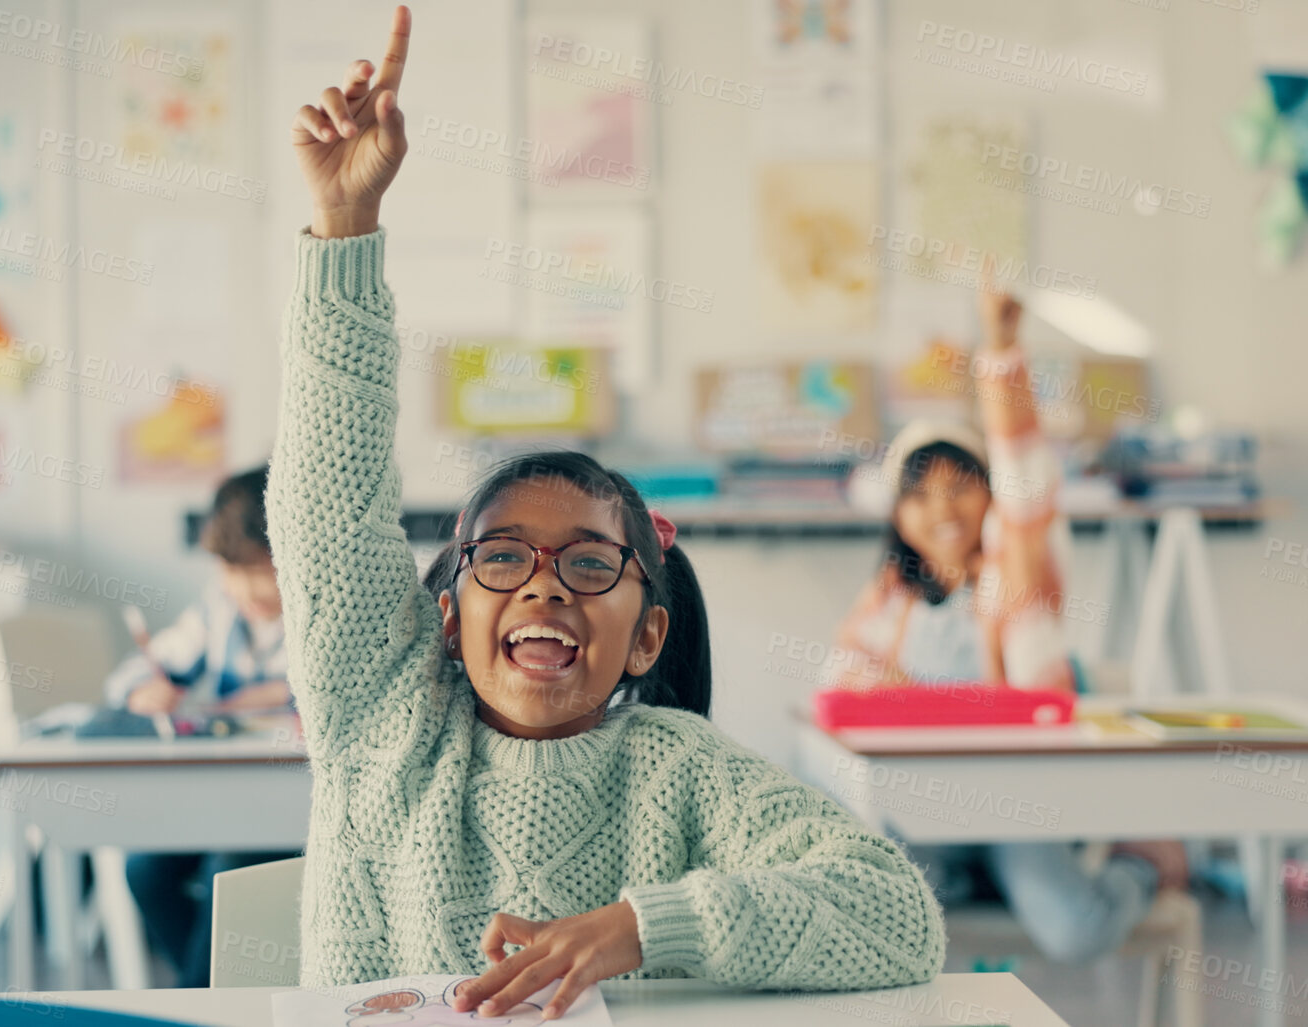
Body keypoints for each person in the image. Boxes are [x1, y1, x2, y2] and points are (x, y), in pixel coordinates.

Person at [272, 9, 944, 1020]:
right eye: (501, 558)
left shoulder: (683, 769)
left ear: (647, 636)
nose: (543, 580)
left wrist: (641, 926)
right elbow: (329, 502)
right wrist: (344, 229)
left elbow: (899, 918)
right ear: (449, 614)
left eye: (589, 565)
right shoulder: (380, 719)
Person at [826, 276, 1189, 966]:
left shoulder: (1018, 570)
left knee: (1073, 929)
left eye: (961, 484)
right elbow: (842, 687)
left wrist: (999, 350)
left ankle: (1141, 863)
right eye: (919, 492)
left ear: (990, 494)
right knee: (881, 908)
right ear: (896, 515)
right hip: (925, 812)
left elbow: (1025, 471)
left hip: (1015, 805)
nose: (942, 508)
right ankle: (968, 877)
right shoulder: (888, 599)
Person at [107, 464, 298, 987]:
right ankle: (206, 997)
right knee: (144, 870)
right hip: (220, 798)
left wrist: (282, 693)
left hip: (295, 805)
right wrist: (148, 691)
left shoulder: (325, 616)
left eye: (261, 568)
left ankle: (199, 1005)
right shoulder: (218, 613)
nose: (244, 586)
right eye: (228, 569)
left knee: (227, 872)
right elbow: (131, 676)